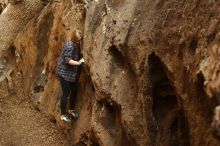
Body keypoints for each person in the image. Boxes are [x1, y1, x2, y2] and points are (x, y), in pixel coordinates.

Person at [56, 31, 84, 123]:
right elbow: (68, 60)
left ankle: (71, 109)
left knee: (74, 90)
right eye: (79, 38)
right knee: (66, 93)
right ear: (75, 38)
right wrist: (79, 62)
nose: (80, 39)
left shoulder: (75, 44)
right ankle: (63, 115)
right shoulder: (69, 46)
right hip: (63, 73)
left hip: (70, 74)